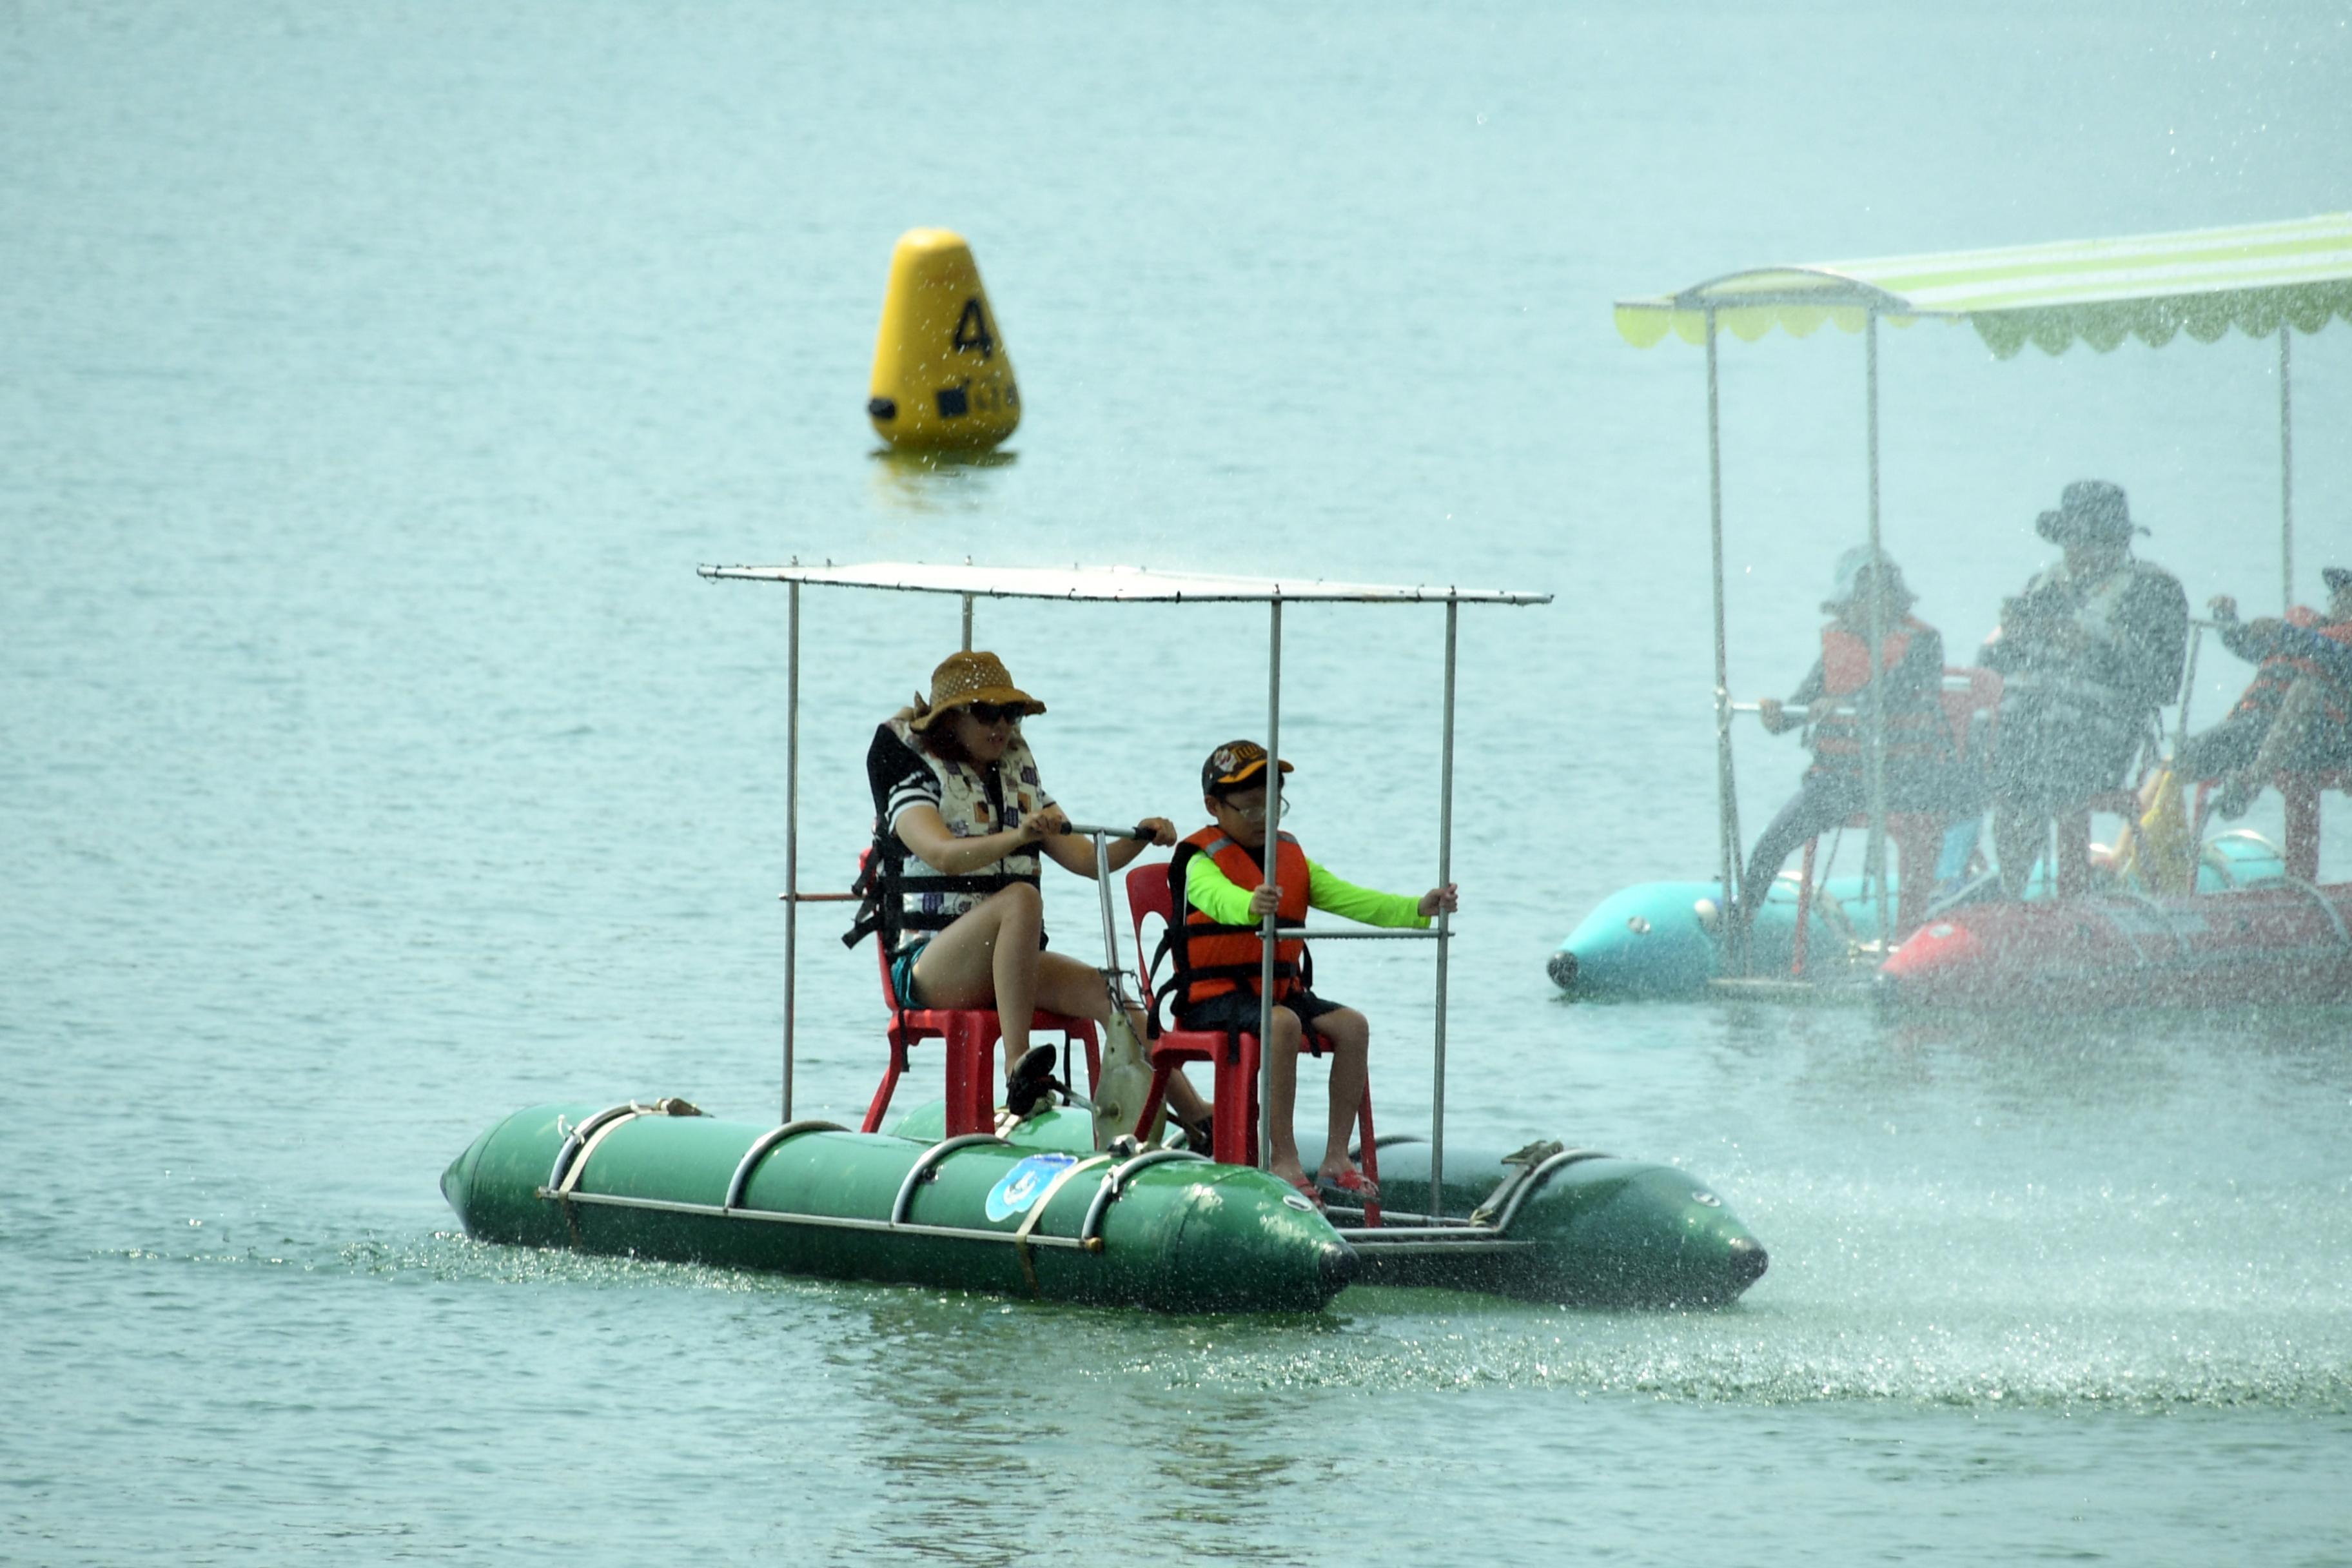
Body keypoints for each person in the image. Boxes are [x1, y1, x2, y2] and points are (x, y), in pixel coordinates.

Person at [852, 649, 1211, 1129]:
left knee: (1107, 993)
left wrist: (1140, 838)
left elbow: (1089, 860)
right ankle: (1018, 1070)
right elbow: (940, 853)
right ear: (951, 719)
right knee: (1022, 898)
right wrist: (1021, 836)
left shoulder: (1017, 777)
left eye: (1011, 713)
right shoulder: (915, 774)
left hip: (1007, 963)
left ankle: (1198, 1119)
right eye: (986, 713)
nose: (1000, 725)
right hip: (928, 966)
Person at [1159, 741, 1458, 1205]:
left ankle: (1337, 1157)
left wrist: (1417, 908)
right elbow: (1215, 897)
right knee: (1283, 1022)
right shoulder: (1200, 861)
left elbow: (1351, 898)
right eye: (1250, 807)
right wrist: (1250, 906)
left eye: (1272, 805)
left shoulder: (1290, 856)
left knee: (1353, 1026)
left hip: (1278, 991)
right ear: (1214, 806)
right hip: (1211, 1001)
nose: (1264, 817)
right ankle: (1284, 1158)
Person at [1732, 547, 1966, 930]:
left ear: (1897, 597)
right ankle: (1740, 925)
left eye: (1883, 592)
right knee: (1769, 845)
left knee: (1925, 832)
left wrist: (1842, 702)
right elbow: (1797, 711)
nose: (1874, 603)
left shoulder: (1924, 643)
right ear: (1846, 601)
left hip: (1907, 780)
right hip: (1840, 781)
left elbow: (1895, 690)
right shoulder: (1836, 649)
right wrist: (1775, 714)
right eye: (1863, 594)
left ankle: (1915, 929)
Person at [1978, 480, 2189, 896]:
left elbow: (2164, 682)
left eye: (2092, 540)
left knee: (2038, 777)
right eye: (2072, 540)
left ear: (2117, 542)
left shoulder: (2153, 590)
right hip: (2027, 731)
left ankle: (2067, 902)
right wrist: (2011, 639)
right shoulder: (2042, 585)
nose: (2079, 552)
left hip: (2099, 740)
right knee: (1997, 776)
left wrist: (2095, 648)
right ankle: (2012, 896)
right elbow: (1992, 666)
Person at [2179, 567, 2352, 818]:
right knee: (2187, 758)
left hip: (2320, 740)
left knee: (2306, 688)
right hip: (2258, 724)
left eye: (2349, 597)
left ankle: (2250, 783)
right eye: (2339, 595)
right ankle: (2154, 843)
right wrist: (2227, 616)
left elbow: (2333, 655)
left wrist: (2285, 633)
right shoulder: (2305, 628)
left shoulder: (2327, 644)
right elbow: (2248, 645)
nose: (2341, 601)